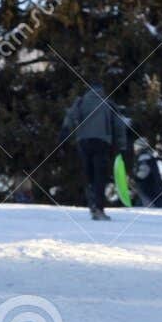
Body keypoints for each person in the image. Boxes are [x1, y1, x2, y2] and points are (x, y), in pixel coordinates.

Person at [61, 83, 128, 220]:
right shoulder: (108, 103)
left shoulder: (80, 102)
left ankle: (92, 206)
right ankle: (99, 208)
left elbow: (70, 116)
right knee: (100, 176)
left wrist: (65, 132)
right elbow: (119, 126)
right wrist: (122, 147)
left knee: (89, 175)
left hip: (83, 142)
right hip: (102, 142)